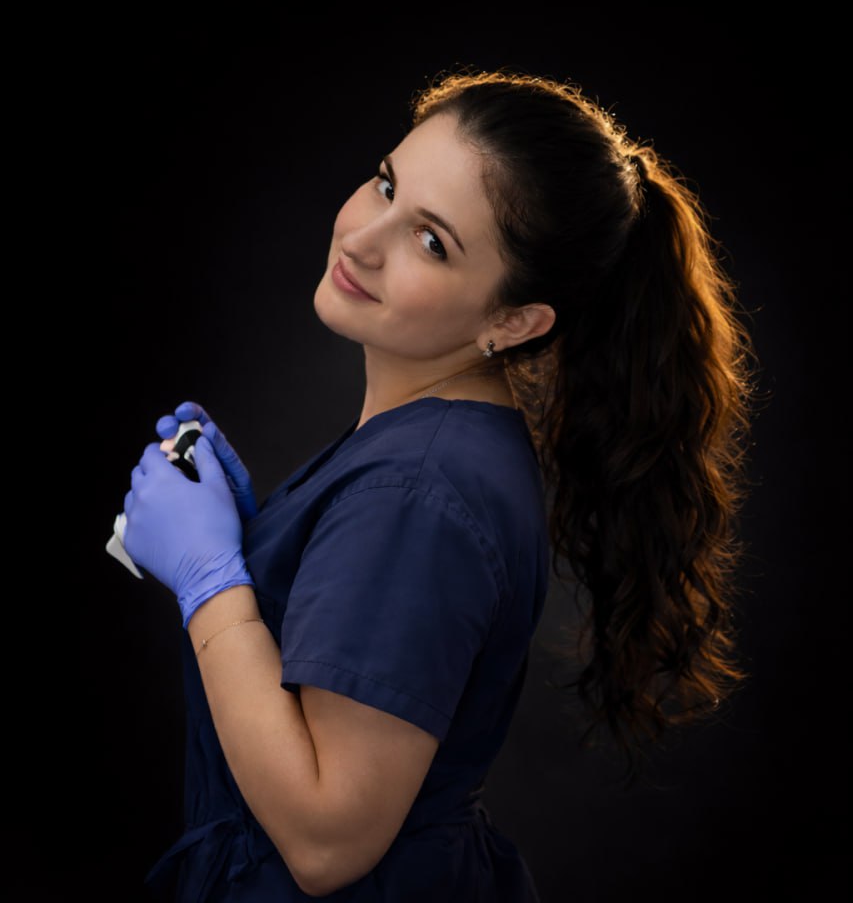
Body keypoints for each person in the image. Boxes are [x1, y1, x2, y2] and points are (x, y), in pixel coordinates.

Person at [121, 69, 756, 901]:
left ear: (512, 321)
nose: (361, 239)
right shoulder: (434, 449)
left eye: (431, 241)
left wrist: (210, 581)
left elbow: (325, 842)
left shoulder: (416, 489)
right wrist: (260, 556)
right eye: (386, 185)